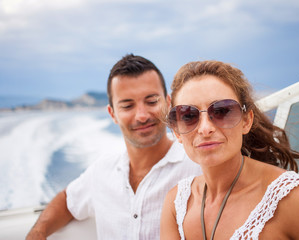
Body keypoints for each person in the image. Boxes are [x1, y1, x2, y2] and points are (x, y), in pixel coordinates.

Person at [160, 60, 299, 239]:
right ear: (176, 131)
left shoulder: (290, 199)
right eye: (188, 116)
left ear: (247, 120)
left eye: (221, 111)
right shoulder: (177, 203)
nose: (205, 128)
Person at [26, 54, 201, 239]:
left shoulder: (197, 165)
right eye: (127, 106)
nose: (142, 115)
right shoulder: (102, 171)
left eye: (151, 101)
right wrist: (37, 233)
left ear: (168, 103)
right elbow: (67, 201)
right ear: (112, 114)